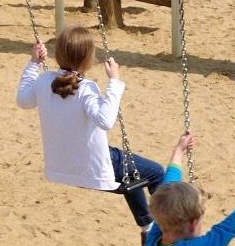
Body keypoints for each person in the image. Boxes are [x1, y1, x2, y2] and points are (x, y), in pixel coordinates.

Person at [15, 25, 167, 233]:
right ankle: (169, 227)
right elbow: (105, 121)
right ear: (88, 59)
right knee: (157, 172)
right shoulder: (86, 88)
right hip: (92, 167)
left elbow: (23, 100)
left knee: (131, 172)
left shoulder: (43, 81)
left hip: (60, 167)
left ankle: (147, 227)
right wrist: (114, 82)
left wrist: (34, 63)